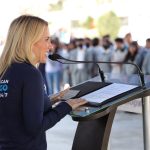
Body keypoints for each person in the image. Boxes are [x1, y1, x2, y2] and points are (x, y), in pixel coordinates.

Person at [0, 15, 87, 150]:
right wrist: (67, 106)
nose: (50, 46)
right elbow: (35, 127)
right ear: (29, 41)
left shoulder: (5, 70)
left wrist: (53, 98)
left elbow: (17, 110)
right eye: (46, 39)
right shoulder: (30, 74)